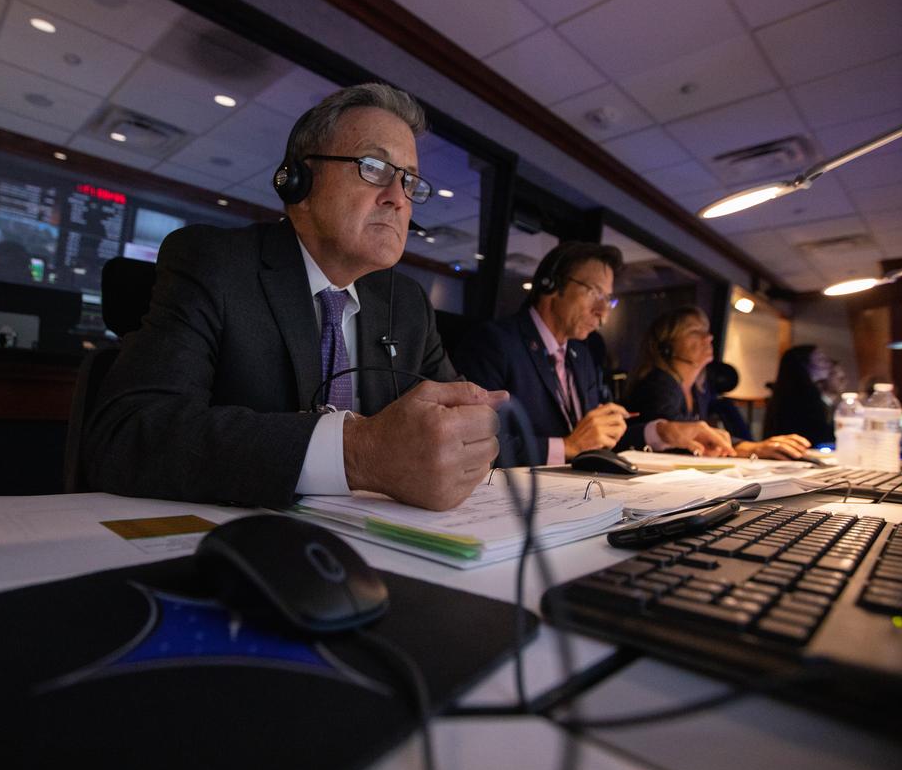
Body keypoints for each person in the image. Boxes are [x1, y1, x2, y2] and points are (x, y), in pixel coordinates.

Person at [83, 83, 505, 511]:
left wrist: (468, 433)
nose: (398, 198)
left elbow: (463, 426)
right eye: (374, 166)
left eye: (409, 180)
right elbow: (128, 434)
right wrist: (356, 452)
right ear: (297, 186)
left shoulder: (409, 303)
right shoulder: (214, 263)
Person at [453, 241, 738, 466]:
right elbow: (470, 441)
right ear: (551, 284)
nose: (602, 313)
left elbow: (605, 435)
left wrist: (663, 431)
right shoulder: (494, 342)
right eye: (594, 293)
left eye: (608, 299)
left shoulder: (582, 354)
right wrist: (567, 447)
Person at [626, 306, 810, 460]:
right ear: (666, 346)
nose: (708, 338)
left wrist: (750, 446)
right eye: (695, 331)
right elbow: (682, 434)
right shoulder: (658, 384)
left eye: (706, 331)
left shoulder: (700, 390)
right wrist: (750, 448)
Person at [763, 345, 845, 446]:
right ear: (804, 365)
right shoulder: (797, 400)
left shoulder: (814, 397)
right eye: (821, 359)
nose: (828, 364)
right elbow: (819, 437)